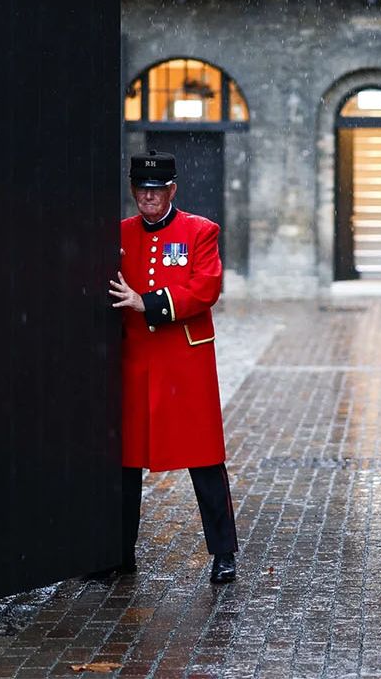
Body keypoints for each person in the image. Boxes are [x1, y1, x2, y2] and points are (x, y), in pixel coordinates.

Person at [107, 150, 239, 584]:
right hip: (135, 360)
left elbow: (205, 288)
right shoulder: (119, 233)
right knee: (123, 462)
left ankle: (223, 553)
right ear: (133, 191)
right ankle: (118, 552)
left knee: (203, 459)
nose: (149, 197)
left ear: (172, 190)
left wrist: (148, 302)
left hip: (185, 362)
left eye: (157, 190)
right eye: (142, 189)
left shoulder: (200, 230)